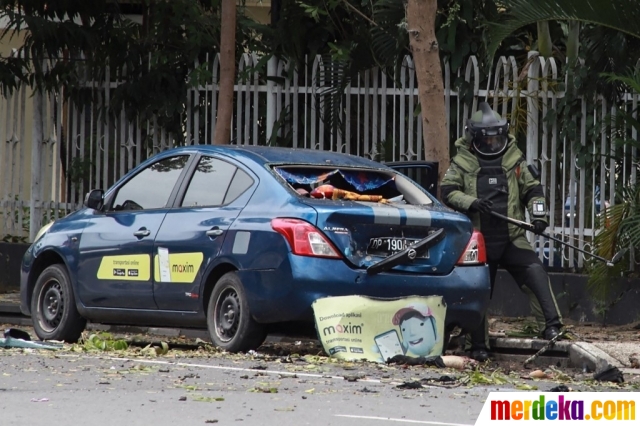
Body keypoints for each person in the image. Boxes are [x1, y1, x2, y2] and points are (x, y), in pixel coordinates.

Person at [440, 102, 563, 362]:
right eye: (487, 140)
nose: (493, 144)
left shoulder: (514, 159)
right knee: (480, 289)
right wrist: (471, 202)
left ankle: (552, 326)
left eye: (498, 139)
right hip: (478, 240)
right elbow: (448, 191)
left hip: (512, 236)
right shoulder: (461, 161)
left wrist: (539, 215)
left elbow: (534, 191)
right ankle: (478, 344)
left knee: (536, 274)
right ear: (474, 138)